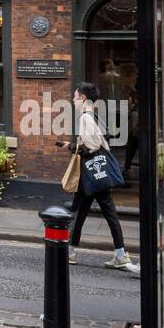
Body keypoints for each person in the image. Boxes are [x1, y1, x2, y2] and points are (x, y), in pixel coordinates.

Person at [57, 83, 139, 271]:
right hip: (100, 174)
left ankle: (70, 251)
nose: (73, 100)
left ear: (83, 98)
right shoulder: (94, 116)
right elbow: (102, 139)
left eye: (75, 97)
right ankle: (120, 254)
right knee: (108, 214)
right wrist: (72, 144)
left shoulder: (85, 118)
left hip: (89, 174)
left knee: (78, 212)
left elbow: (91, 146)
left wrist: (72, 146)